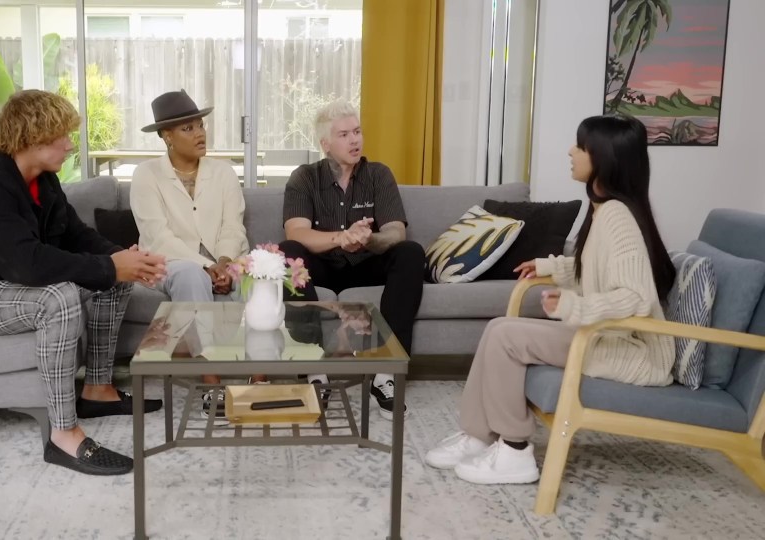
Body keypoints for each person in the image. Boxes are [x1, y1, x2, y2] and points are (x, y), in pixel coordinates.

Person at [0, 90, 167, 476]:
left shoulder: (44, 181)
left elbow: (77, 235)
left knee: (113, 280)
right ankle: (64, 435)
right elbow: (27, 265)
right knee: (59, 296)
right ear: (31, 138)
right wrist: (109, 265)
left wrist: (126, 260)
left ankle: (97, 390)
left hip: (7, 284)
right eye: (61, 136)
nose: (70, 144)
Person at [424, 114, 676, 485]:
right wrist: (551, 266)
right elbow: (596, 266)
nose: (571, 152)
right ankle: (479, 436)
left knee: (505, 335)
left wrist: (576, 307)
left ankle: (513, 450)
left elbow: (634, 296)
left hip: (630, 350)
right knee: (500, 330)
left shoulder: (618, 217)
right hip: (609, 338)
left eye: (580, 145)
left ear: (602, 157)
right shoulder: (606, 210)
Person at [279, 100, 425, 420]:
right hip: (324, 268)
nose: (355, 140)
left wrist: (369, 239)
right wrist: (339, 237)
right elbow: (297, 230)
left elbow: (395, 232)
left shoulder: (378, 174)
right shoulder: (304, 177)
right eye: (344, 134)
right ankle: (314, 371)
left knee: (411, 252)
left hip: (366, 264)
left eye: (357, 132)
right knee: (287, 252)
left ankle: (387, 373)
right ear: (326, 144)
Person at [131, 90, 256, 421]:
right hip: (169, 263)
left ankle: (258, 379)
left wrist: (226, 262)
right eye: (188, 129)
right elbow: (159, 237)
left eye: (200, 125)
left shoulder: (224, 172)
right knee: (190, 275)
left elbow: (233, 226)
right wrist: (207, 267)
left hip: (224, 260)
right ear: (166, 136)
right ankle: (210, 381)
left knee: (264, 276)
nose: (200, 133)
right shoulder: (146, 175)